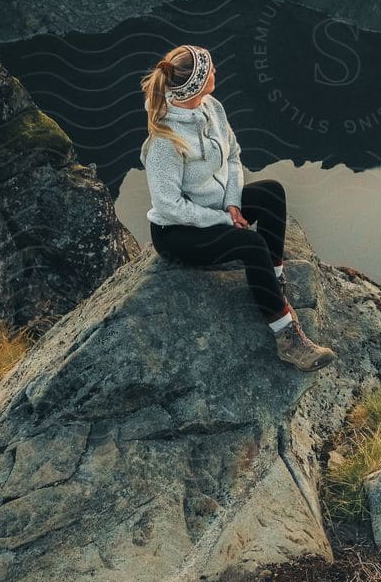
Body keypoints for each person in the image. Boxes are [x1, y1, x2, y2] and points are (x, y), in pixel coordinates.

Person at [139, 43, 336, 370]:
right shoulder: (165, 140)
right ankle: (287, 337)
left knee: (272, 191)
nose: (216, 72)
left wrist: (232, 203)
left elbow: (232, 157)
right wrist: (221, 219)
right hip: (178, 233)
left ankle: (273, 281)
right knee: (251, 243)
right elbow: (169, 206)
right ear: (197, 82)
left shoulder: (211, 107)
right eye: (210, 69)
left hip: (217, 207)